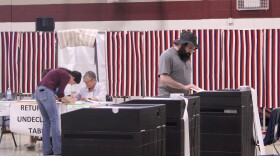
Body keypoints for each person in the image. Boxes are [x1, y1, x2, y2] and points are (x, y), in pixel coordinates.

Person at [35, 68, 81, 155]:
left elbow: (56, 94)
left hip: (38, 92)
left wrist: (57, 96)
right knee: (54, 120)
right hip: (46, 93)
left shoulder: (61, 71)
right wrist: (70, 100)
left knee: (46, 122)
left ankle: (47, 150)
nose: (70, 84)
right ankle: (58, 150)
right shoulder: (67, 76)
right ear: (73, 77)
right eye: (73, 83)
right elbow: (61, 94)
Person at [158, 31, 202, 96]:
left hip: (183, 97)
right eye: (190, 48)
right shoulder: (167, 55)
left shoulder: (185, 56)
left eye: (193, 49)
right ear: (181, 45)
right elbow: (164, 78)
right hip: (169, 98)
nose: (192, 51)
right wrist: (184, 87)